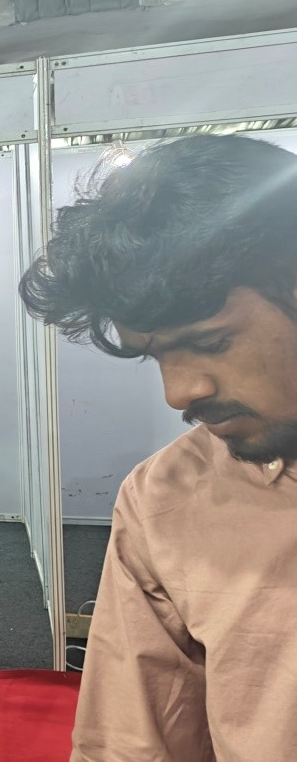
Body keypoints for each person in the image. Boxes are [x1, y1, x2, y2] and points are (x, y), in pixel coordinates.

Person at [18, 134, 297, 759]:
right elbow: (132, 744)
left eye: (212, 342)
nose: (180, 393)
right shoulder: (165, 498)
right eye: (156, 356)